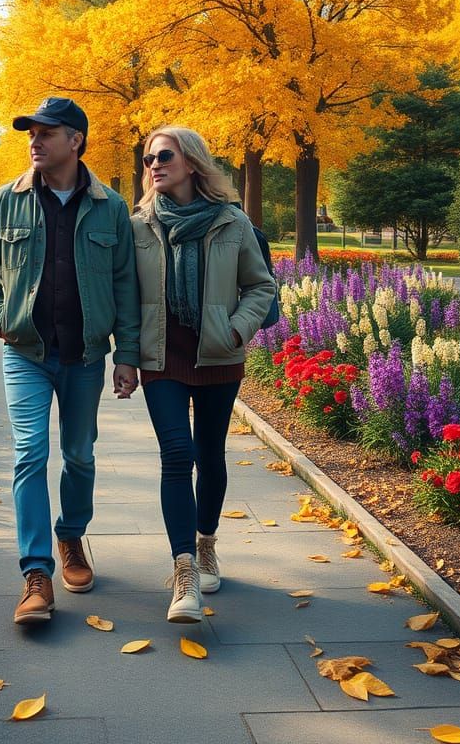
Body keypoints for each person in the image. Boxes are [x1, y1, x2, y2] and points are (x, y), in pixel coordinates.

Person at [0, 97, 140, 625]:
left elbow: (126, 285)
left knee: (80, 455)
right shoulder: (6, 200)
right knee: (29, 454)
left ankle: (71, 537)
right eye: (31, 133)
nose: (34, 141)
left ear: (76, 141)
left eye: (46, 132)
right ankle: (36, 573)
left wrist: (126, 356)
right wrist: (1, 319)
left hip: (86, 356)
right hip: (26, 354)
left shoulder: (110, 207)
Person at [131, 127, 274, 623]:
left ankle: (206, 542)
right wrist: (126, 355)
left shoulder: (232, 222)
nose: (153, 163)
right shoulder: (141, 225)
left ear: (191, 162)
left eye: (163, 155)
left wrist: (235, 332)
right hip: (161, 356)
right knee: (177, 454)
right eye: (148, 157)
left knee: (210, 455)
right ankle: (185, 570)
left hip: (217, 354)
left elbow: (261, 287)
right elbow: (127, 297)